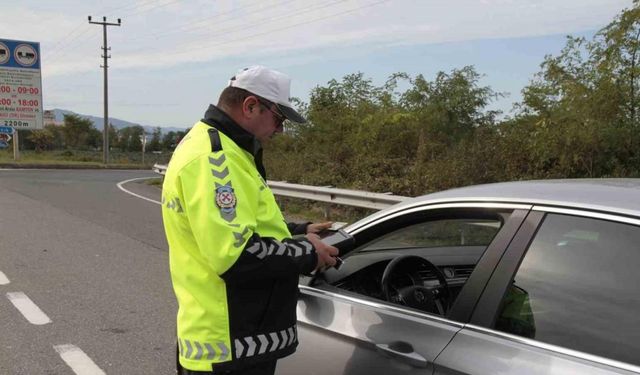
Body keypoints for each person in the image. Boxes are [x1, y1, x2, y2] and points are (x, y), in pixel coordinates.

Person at [162, 65, 338, 375]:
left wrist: (298, 230)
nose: (281, 129)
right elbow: (236, 256)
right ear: (250, 106)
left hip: (234, 339)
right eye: (279, 118)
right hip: (228, 344)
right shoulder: (215, 159)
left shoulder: (222, 148)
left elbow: (240, 220)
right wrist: (309, 253)